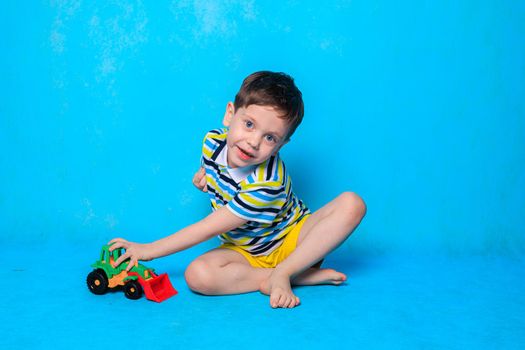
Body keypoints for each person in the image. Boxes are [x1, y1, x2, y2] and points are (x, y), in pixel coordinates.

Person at [109, 71, 366, 308]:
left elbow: (207, 227)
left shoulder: (268, 182)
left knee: (352, 204)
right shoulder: (212, 142)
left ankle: (288, 271)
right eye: (249, 124)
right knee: (197, 276)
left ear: (281, 145)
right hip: (244, 252)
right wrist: (204, 180)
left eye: (270, 138)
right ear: (230, 115)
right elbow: (218, 178)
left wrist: (149, 249)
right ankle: (288, 277)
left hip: (295, 244)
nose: (253, 142)